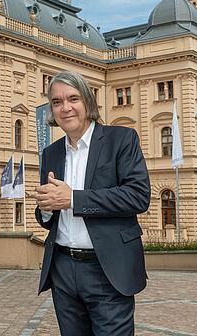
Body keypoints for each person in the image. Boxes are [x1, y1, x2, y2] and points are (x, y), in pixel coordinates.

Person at [34, 71, 151, 335]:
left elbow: (138, 196)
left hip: (107, 269)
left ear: (87, 101)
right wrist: (45, 207)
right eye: (56, 102)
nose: (65, 108)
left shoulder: (121, 139)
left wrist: (73, 198)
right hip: (62, 269)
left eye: (73, 98)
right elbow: (48, 217)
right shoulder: (50, 153)